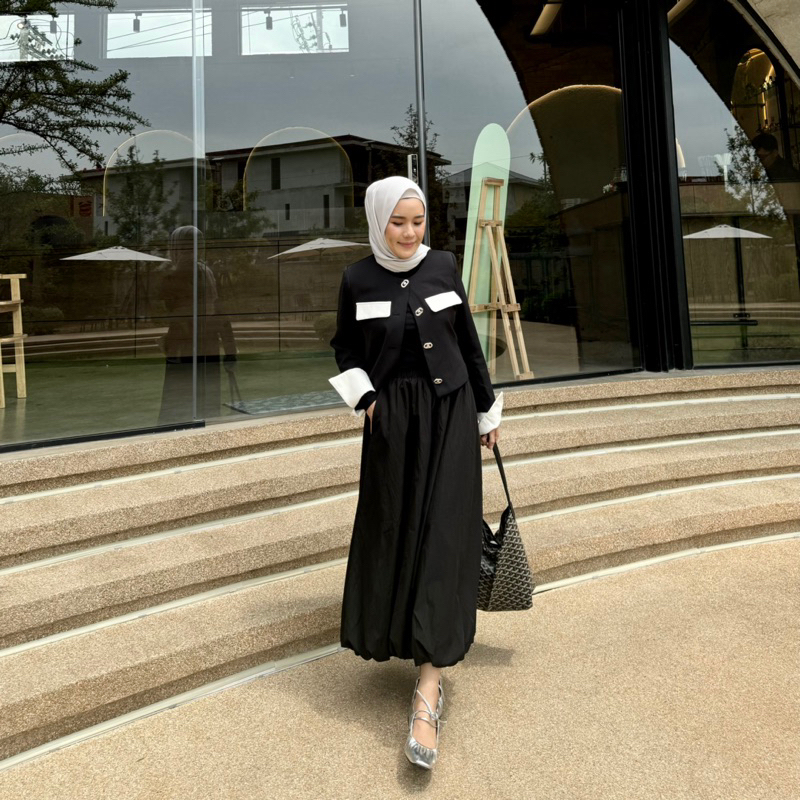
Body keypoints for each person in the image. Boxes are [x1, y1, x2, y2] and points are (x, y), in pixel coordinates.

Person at [328, 176, 502, 769]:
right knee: (395, 529)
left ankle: (429, 687)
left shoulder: (444, 266)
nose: (409, 233)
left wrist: (486, 412)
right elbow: (345, 348)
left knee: (444, 535)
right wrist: (366, 399)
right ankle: (402, 634)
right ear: (378, 221)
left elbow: (469, 344)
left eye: (418, 221)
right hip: (393, 423)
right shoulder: (357, 278)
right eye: (397, 222)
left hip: (451, 415)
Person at [158, 225, 237, 424]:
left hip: (186, 344)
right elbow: (219, 312)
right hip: (204, 341)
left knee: (181, 400)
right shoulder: (205, 271)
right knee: (205, 398)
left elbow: (169, 309)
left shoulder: (180, 272)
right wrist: (230, 349)